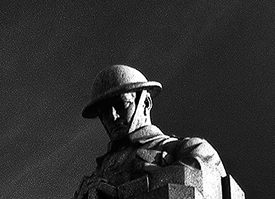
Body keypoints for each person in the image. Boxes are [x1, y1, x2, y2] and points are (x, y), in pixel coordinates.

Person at [79, 63, 224, 191]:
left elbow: (200, 181)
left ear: (146, 103)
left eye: (121, 105)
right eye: (104, 112)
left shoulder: (192, 148)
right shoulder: (98, 173)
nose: (113, 116)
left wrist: (123, 189)